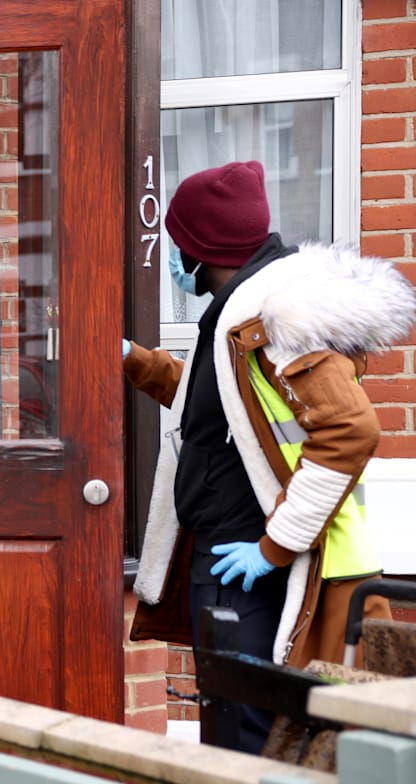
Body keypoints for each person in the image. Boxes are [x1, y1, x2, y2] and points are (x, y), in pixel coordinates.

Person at [124, 160, 416, 754]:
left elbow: (351, 429)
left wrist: (271, 547)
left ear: (203, 247)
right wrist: (135, 361)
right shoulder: (242, 311)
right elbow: (225, 407)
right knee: (236, 726)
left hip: (256, 568)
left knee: (251, 737)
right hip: (236, 559)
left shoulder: (272, 318)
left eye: (180, 243)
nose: (175, 259)